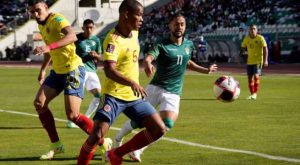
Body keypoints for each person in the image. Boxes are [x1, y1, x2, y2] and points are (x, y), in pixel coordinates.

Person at [114, 13, 218, 162]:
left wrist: (206, 70)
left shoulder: (188, 45)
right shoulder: (161, 43)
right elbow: (150, 56)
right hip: (155, 88)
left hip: (173, 92)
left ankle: (138, 150)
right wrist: (148, 63)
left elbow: (188, 63)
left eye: (182, 24)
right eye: (176, 24)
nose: (179, 27)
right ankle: (118, 138)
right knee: (137, 122)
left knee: (166, 125)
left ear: (185, 26)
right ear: (169, 25)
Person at [76, 0, 166, 165]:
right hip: (113, 95)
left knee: (159, 129)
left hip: (134, 97)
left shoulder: (135, 32)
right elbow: (109, 70)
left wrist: (146, 61)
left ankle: (116, 154)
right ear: (126, 14)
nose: (141, 19)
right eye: (138, 15)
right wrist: (132, 82)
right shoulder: (112, 40)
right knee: (96, 135)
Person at [28, 0, 109, 160]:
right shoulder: (42, 25)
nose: (36, 14)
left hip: (73, 69)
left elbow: (72, 36)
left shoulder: (57, 20)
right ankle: (56, 145)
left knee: (73, 115)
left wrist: (49, 47)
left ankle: (103, 141)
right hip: (57, 71)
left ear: (46, 8)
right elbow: (48, 50)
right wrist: (43, 69)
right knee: (39, 103)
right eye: (32, 12)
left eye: (38, 10)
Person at [66, 19, 103, 128]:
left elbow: (100, 57)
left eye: (91, 27)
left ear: (94, 27)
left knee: (99, 97)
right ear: (83, 28)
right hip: (77, 69)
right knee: (75, 95)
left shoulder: (96, 40)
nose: (89, 29)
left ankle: (84, 119)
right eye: (87, 27)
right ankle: (72, 120)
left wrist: (95, 55)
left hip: (91, 70)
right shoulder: (76, 39)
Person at [240, 24, 268, 100]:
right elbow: (242, 47)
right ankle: (252, 94)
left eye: (254, 29)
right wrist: (242, 52)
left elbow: (265, 49)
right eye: (251, 29)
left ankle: (255, 94)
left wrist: (265, 60)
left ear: (257, 30)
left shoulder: (260, 38)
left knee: (256, 76)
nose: (252, 30)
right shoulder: (246, 39)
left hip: (258, 61)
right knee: (250, 78)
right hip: (249, 61)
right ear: (249, 30)